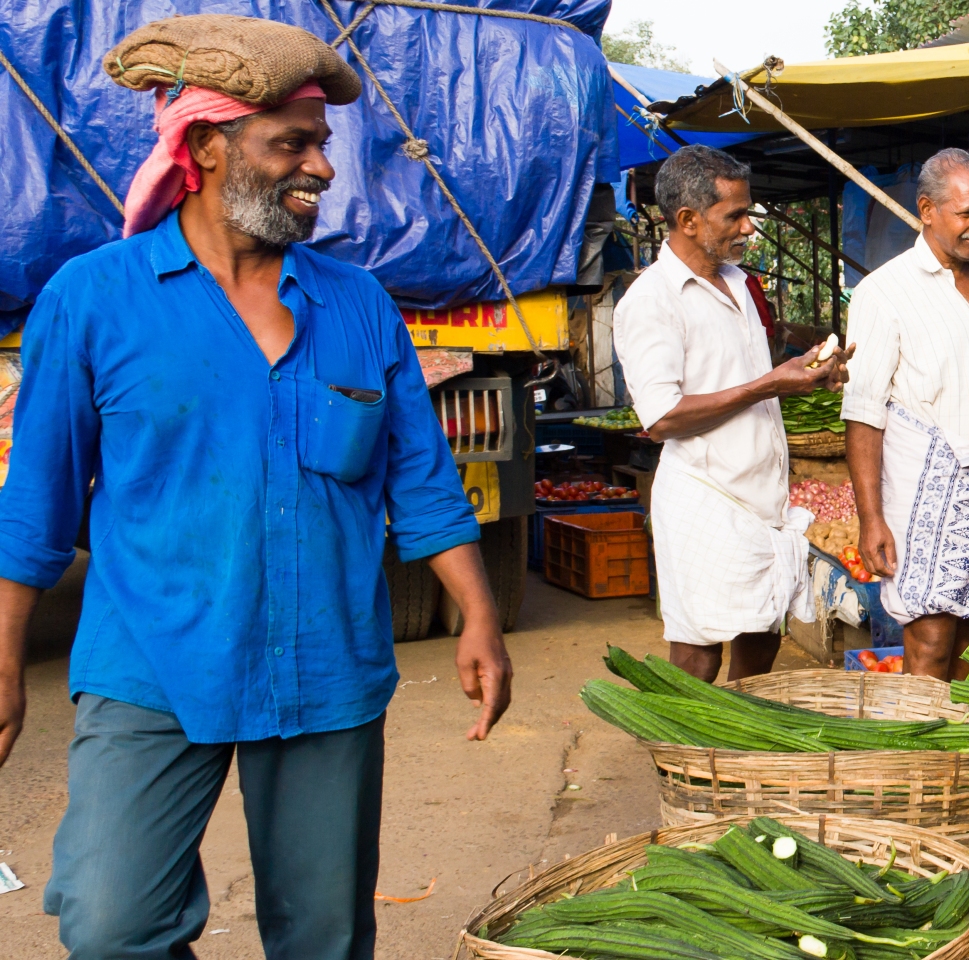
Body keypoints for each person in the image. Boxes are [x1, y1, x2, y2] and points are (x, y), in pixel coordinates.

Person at [0, 16, 512, 959]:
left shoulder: (356, 303)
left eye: (322, 144)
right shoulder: (94, 298)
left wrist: (477, 617)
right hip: (151, 661)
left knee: (322, 939)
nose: (321, 168)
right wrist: (4, 662)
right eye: (292, 144)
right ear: (203, 147)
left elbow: (422, 481)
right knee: (113, 926)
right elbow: (34, 507)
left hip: (325, 662)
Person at [616, 145, 846, 683]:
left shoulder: (740, 283)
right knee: (698, 649)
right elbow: (662, 417)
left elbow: (746, 380)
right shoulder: (653, 300)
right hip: (706, 494)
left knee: (763, 631)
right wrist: (769, 383)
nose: (748, 228)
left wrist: (810, 373)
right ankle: (687, 761)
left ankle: (741, 746)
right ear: (688, 220)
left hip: (761, 496)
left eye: (749, 212)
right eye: (735, 216)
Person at [842, 148, 969, 679]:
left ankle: (957, 752)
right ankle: (922, 755)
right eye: (966, 213)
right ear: (927, 210)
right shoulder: (885, 292)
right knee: (930, 640)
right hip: (925, 492)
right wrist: (870, 518)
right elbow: (862, 412)